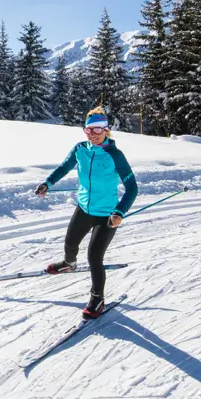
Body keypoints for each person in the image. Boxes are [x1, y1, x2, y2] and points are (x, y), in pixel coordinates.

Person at [35, 108, 138, 319]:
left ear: (106, 130)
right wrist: (48, 182)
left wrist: (119, 212)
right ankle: (69, 264)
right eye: (88, 129)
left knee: (94, 257)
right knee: (70, 243)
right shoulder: (80, 149)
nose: (92, 133)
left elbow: (132, 188)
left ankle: (97, 298)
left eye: (98, 129)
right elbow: (65, 167)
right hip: (83, 208)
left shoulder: (115, 155)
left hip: (106, 215)